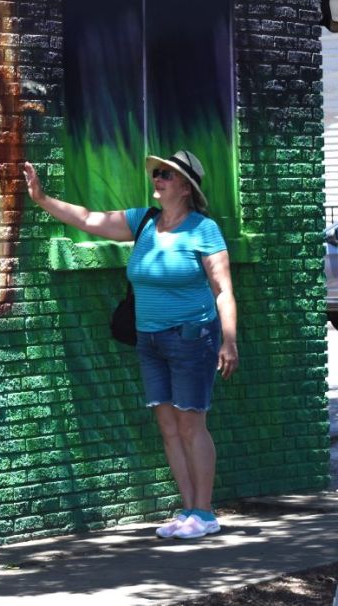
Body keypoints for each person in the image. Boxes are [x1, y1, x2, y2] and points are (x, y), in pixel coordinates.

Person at [22, 150, 238, 540]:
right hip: (149, 339)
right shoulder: (144, 221)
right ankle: (188, 509)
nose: (157, 179)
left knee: (192, 424)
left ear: (186, 188)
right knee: (168, 426)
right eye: (157, 173)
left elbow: (222, 289)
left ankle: (205, 513)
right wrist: (41, 198)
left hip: (192, 337)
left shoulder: (203, 230)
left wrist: (229, 340)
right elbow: (88, 219)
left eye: (167, 175)